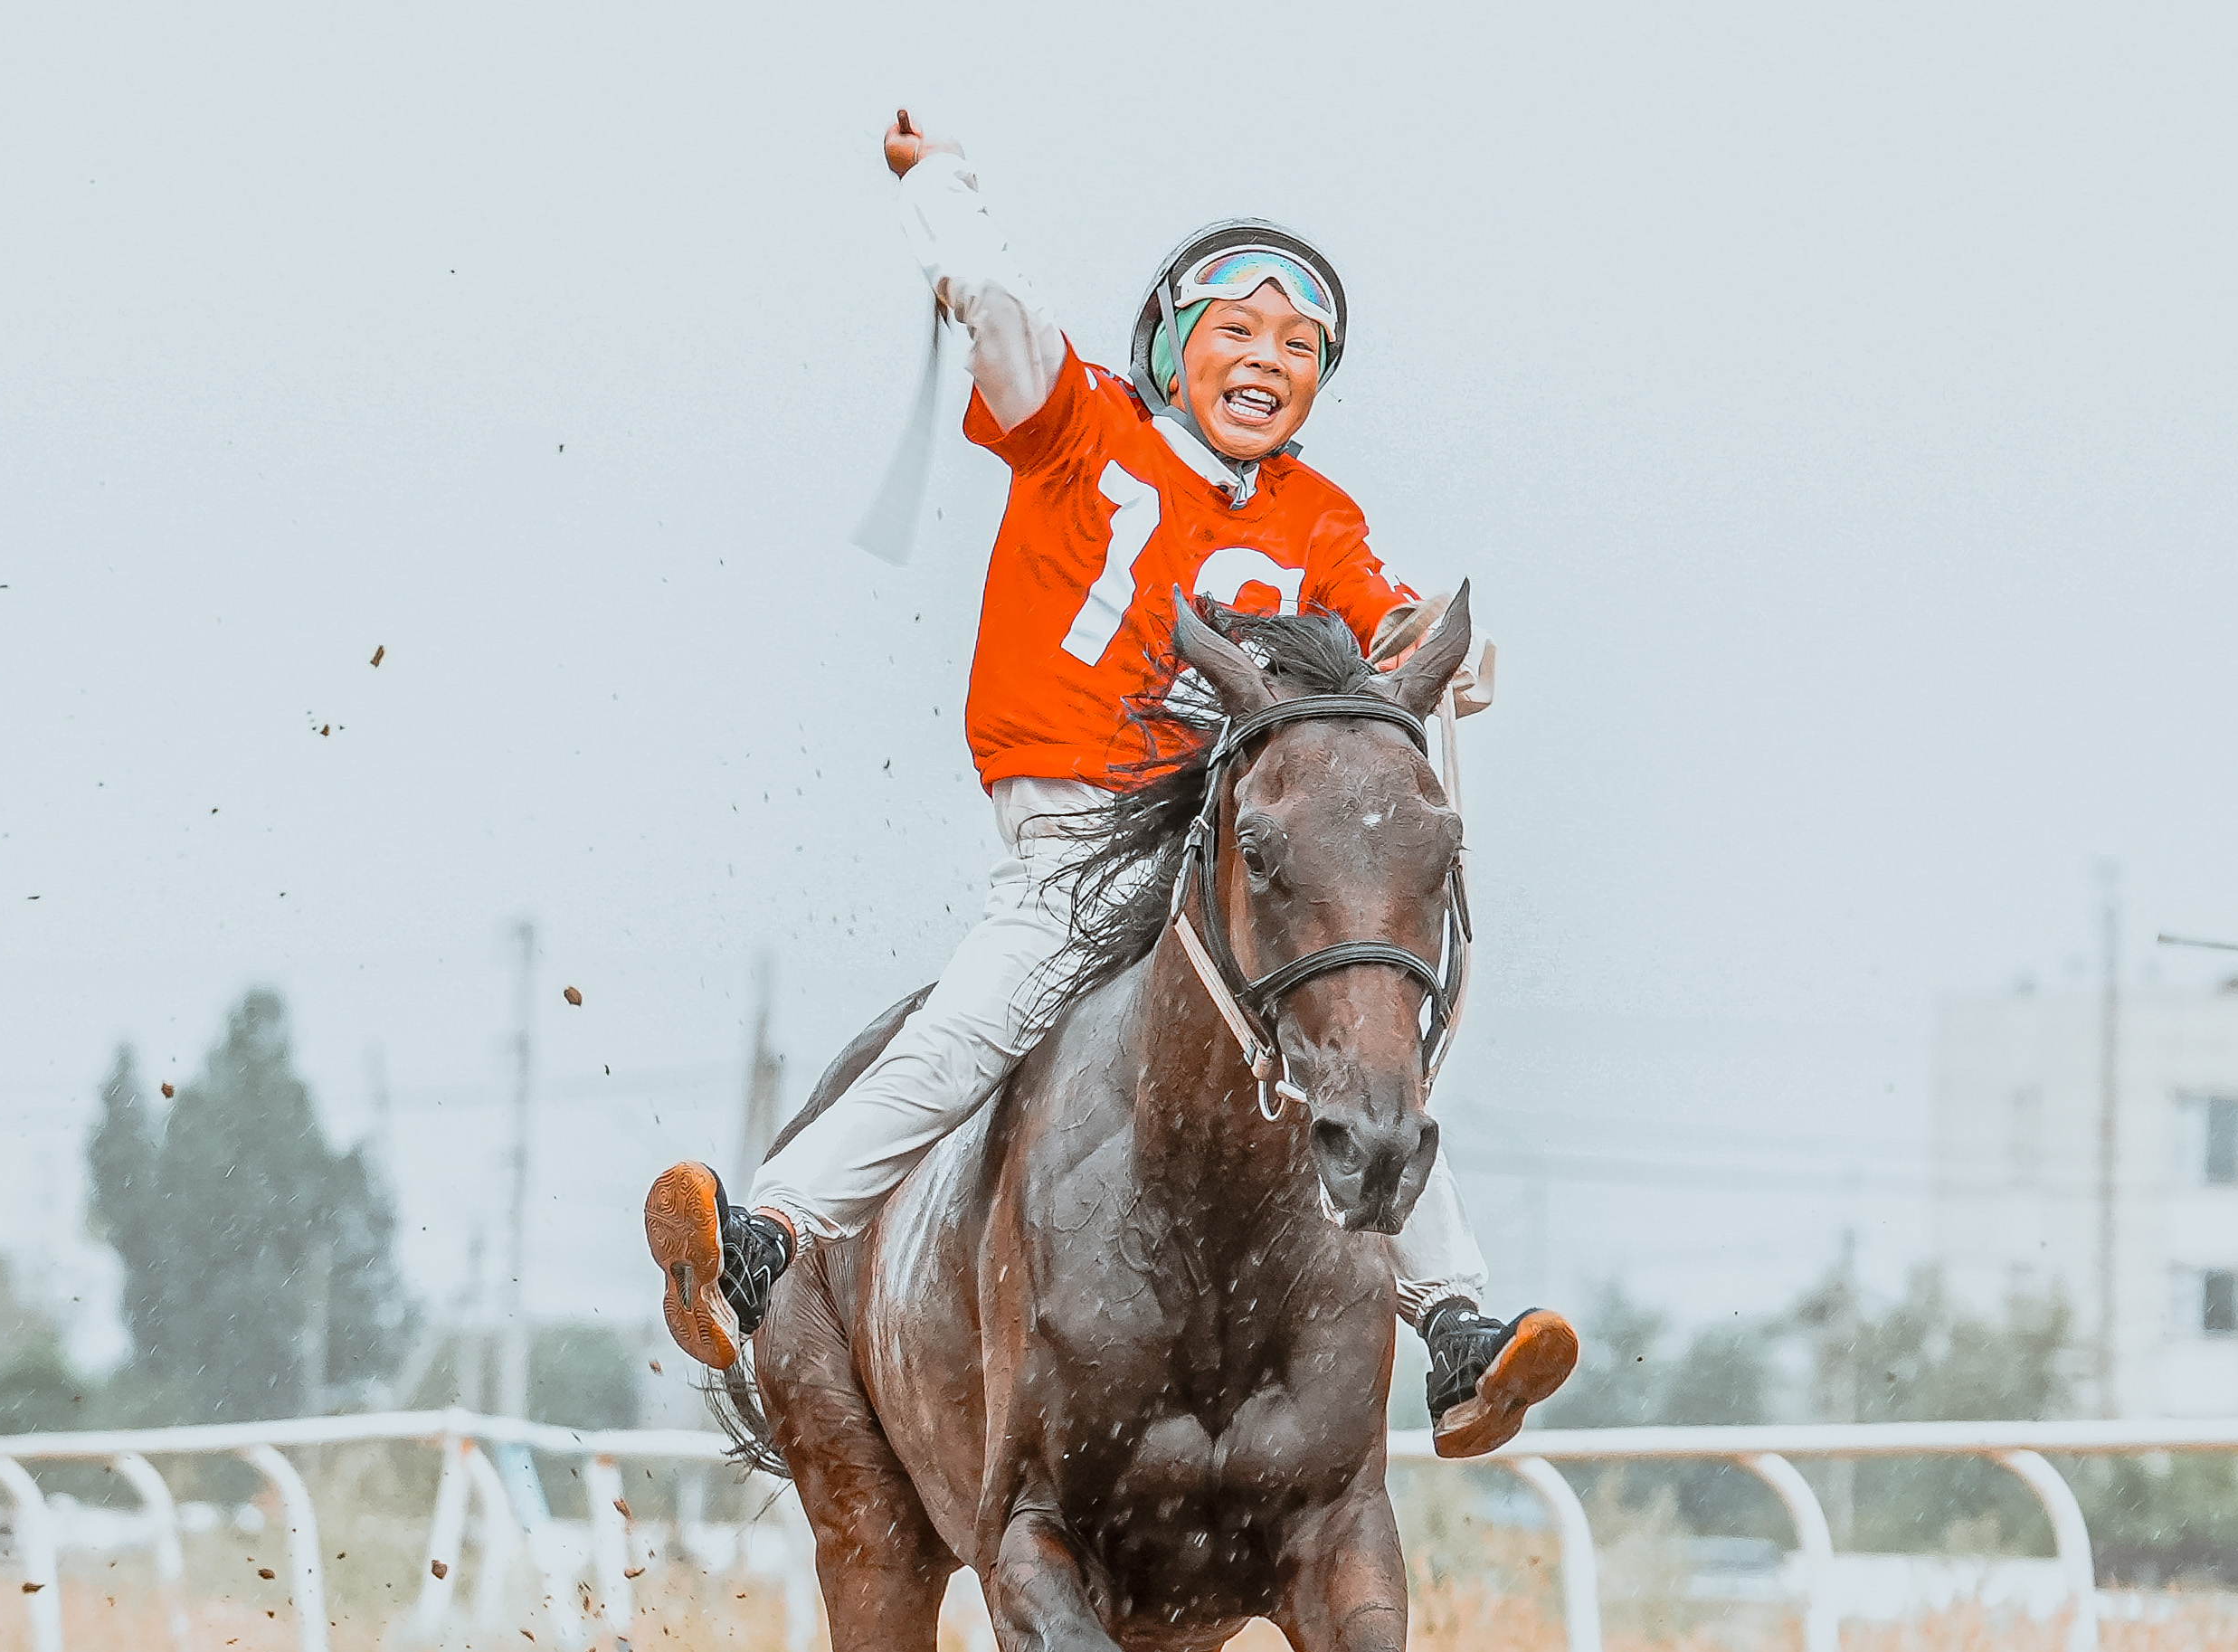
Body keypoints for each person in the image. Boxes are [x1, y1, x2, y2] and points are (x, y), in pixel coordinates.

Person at [643, 111, 1576, 1459]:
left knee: (1365, 1037)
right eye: (1238, 337)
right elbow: (1008, 322)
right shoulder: (1078, 426)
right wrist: (944, 195)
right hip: (1074, 842)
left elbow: (1390, 624)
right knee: (971, 1026)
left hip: (1215, 845)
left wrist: (1458, 648)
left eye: (1299, 349)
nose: (1268, 363)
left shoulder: (1319, 515)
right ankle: (763, 1241)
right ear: (1167, 349)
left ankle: (1454, 1329)